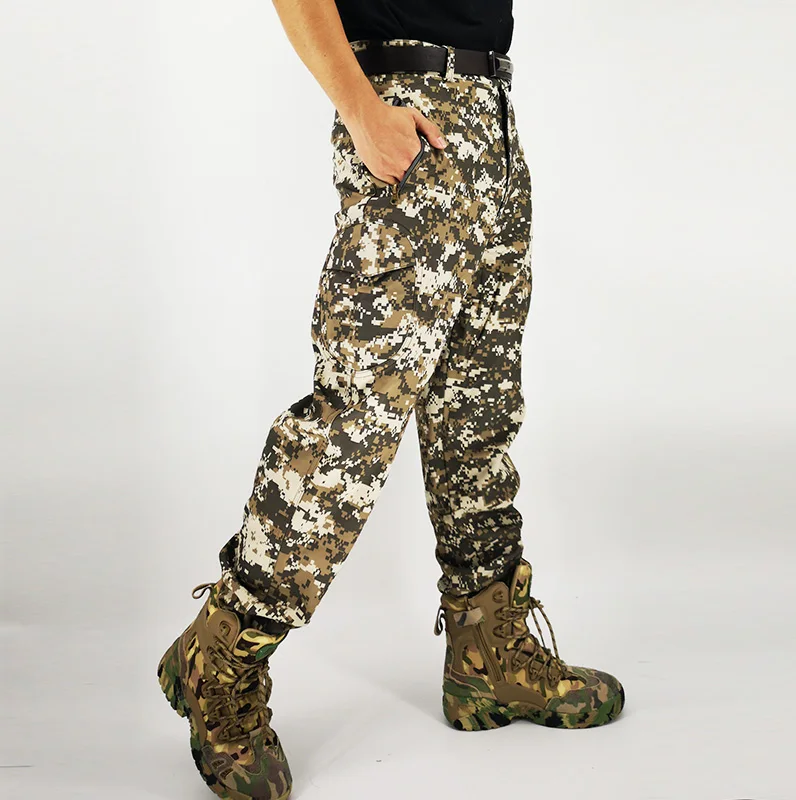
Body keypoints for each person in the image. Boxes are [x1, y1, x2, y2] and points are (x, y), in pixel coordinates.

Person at [157, 2, 625, 798]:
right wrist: (361, 109)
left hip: (489, 120)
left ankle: (488, 657)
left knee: (478, 414)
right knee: (354, 424)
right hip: (410, 117)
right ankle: (222, 653)